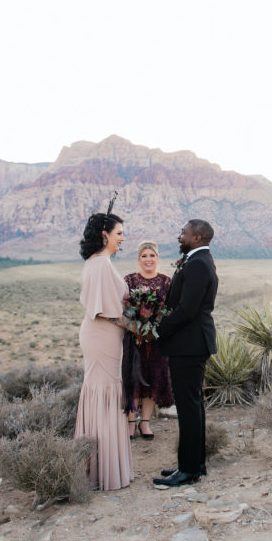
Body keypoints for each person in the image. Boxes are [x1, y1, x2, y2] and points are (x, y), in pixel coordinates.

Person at [152, 219, 218, 487]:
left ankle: (188, 471)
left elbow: (187, 309)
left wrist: (158, 329)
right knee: (193, 406)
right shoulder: (197, 260)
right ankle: (193, 465)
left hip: (189, 345)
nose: (180, 236)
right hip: (190, 344)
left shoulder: (199, 264)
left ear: (198, 237)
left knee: (189, 407)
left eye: (184, 233)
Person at [73, 209, 135, 491]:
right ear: (105, 234)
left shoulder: (99, 262)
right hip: (102, 335)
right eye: (119, 233)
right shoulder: (99, 265)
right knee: (104, 391)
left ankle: (101, 467)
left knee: (106, 390)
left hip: (106, 335)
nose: (123, 238)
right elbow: (103, 312)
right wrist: (137, 327)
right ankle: (102, 470)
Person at [122, 240, 174, 440]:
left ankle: (145, 423)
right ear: (139, 258)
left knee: (152, 379)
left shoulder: (166, 282)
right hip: (134, 339)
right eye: (144, 255)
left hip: (157, 341)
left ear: (158, 258)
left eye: (152, 255)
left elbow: (169, 310)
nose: (148, 259)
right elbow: (125, 308)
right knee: (133, 379)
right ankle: (130, 423)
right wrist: (137, 324)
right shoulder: (129, 281)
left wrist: (156, 326)